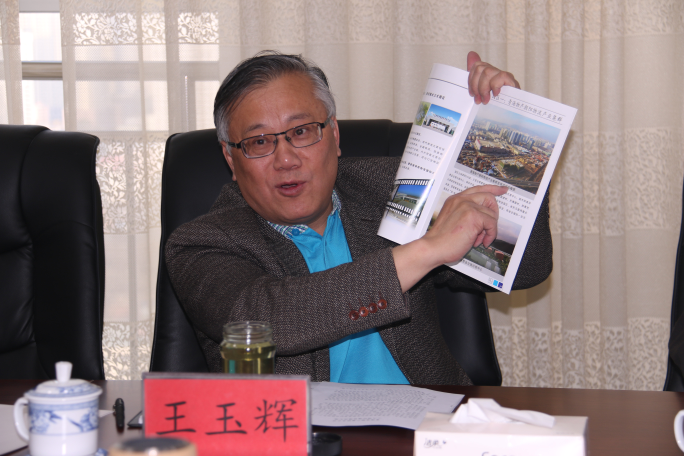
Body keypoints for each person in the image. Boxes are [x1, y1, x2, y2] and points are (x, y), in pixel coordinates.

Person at [165, 50, 552, 385]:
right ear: (231, 158)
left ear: (334, 134)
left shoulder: (392, 190)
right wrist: (426, 250)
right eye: (260, 141)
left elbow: (526, 266)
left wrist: (510, 124)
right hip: (300, 434)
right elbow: (268, 320)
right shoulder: (201, 244)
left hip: (428, 423)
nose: (286, 159)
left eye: (302, 131)